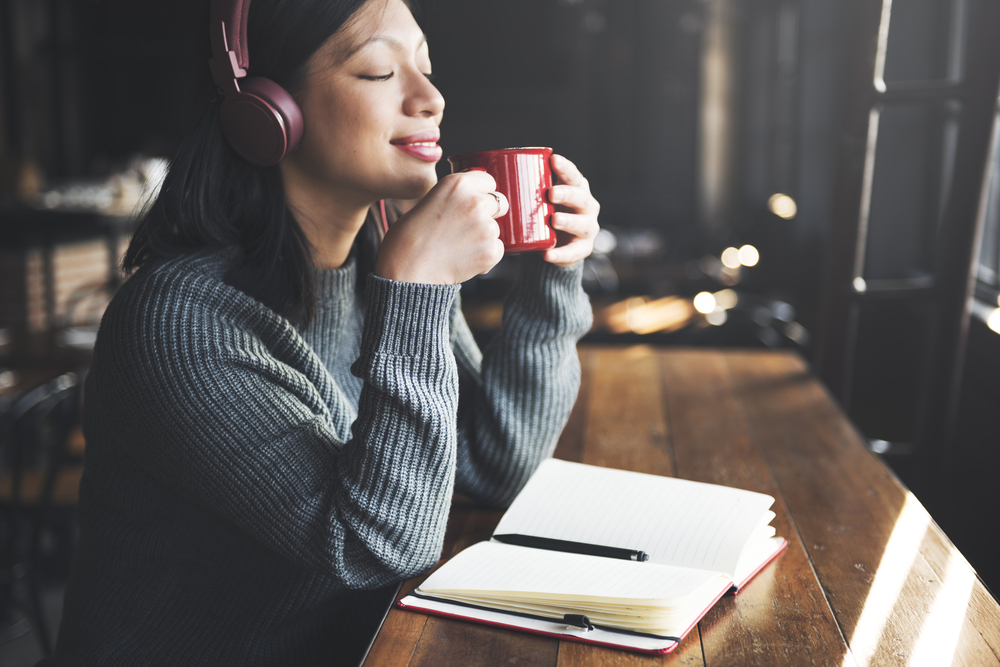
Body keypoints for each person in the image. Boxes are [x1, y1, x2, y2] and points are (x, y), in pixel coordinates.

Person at [43, 0, 599, 664]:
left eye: (426, 66)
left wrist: (555, 273)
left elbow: (498, 459)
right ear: (270, 112)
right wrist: (416, 290)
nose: (430, 98)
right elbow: (375, 543)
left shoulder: (379, 254)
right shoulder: (178, 323)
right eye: (376, 72)